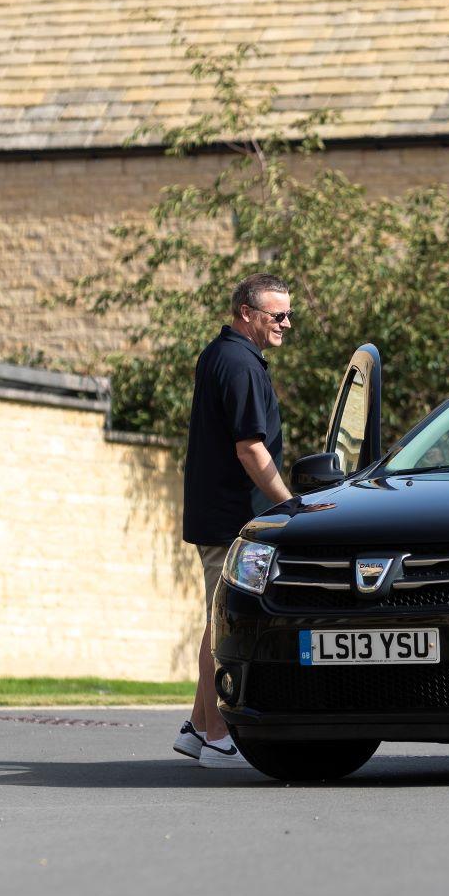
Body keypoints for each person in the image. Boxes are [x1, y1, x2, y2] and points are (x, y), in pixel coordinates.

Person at [173, 273, 300, 768]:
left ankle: (198, 726)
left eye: (288, 314)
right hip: (232, 520)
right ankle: (220, 736)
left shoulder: (221, 354)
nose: (286, 324)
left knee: (215, 623)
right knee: (222, 625)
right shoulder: (240, 364)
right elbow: (250, 447)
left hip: (220, 515)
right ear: (246, 313)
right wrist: (289, 504)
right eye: (277, 315)